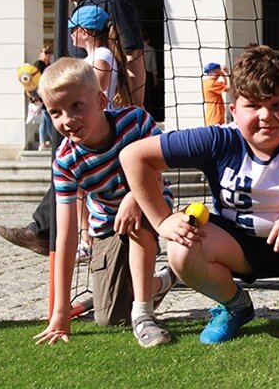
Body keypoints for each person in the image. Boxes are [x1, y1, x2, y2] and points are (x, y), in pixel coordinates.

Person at [119, 45, 279, 345]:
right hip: (237, 247)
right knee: (180, 246)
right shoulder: (217, 140)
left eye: (278, 105)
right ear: (234, 109)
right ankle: (235, 306)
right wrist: (161, 221)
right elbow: (133, 156)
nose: (266, 116)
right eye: (253, 105)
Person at [0, 0, 146, 255]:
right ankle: (54, 232)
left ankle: (52, 232)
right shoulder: (84, 2)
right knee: (75, 169)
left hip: (96, 112)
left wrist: (137, 105)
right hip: (74, 107)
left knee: (84, 170)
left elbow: (133, 53)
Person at [32, 58, 176, 348]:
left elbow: (160, 167)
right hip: (107, 224)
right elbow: (66, 236)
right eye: (55, 112)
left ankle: (144, 315)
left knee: (137, 216)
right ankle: (164, 280)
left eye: (76, 106)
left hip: (151, 202)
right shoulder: (65, 161)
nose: (67, 120)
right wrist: (60, 312)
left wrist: (135, 196)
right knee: (109, 317)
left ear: (100, 101)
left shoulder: (135, 121)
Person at [68, 5, 130, 107]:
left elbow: (92, 95)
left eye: (73, 29)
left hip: (101, 116)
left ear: (85, 33)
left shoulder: (101, 57)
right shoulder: (98, 56)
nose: (71, 34)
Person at [34, 44, 53, 151]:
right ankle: (51, 141)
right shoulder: (38, 65)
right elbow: (33, 83)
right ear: (41, 53)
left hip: (47, 96)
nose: (48, 55)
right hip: (41, 97)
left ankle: (43, 142)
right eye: (46, 52)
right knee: (48, 119)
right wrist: (35, 97)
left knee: (45, 121)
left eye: (50, 53)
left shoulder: (48, 65)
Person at [201, 62, 230, 126]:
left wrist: (223, 75)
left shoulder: (207, 82)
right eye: (217, 71)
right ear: (211, 72)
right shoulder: (212, 83)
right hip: (215, 118)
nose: (219, 74)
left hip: (214, 117)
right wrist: (226, 74)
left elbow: (224, 85)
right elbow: (228, 88)